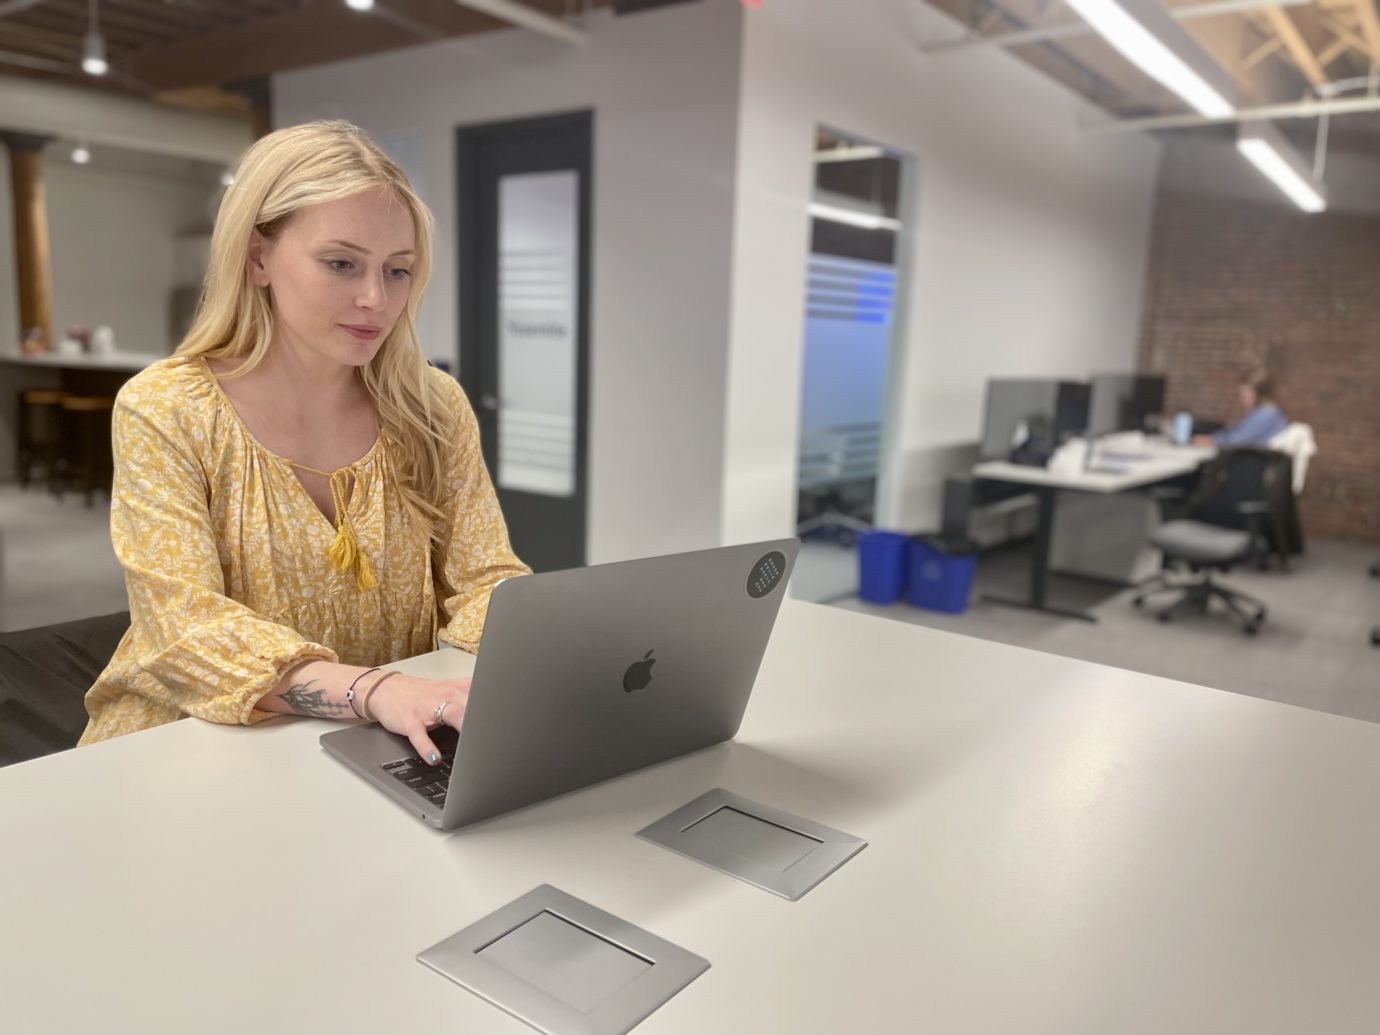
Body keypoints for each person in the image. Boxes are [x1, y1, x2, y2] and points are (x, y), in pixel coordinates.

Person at [78, 121, 530, 766]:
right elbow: (187, 630)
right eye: (341, 263)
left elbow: (486, 578)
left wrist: (542, 649)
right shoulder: (167, 408)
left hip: (380, 738)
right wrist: (374, 690)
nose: (375, 299)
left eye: (397, 271)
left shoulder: (430, 406)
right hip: (189, 745)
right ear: (259, 257)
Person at [1192, 368, 1290, 447]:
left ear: (1260, 394)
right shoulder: (1265, 413)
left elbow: (1236, 441)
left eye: (1245, 395)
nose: (1241, 399)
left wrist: (1212, 440)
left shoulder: (1267, 414)